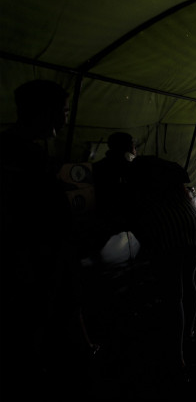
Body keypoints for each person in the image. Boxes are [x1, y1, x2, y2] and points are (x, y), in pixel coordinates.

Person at [0, 80, 92, 399]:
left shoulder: (22, 150)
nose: (66, 120)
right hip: (33, 268)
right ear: (46, 112)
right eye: (63, 112)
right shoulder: (20, 155)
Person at [128, 156, 196, 379]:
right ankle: (189, 331)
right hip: (193, 225)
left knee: (173, 295)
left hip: (167, 230)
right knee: (187, 281)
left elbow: (135, 217)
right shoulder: (175, 183)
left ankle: (176, 356)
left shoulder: (140, 184)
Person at [93, 131, 137, 239]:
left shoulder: (97, 167)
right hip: (122, 226)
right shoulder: (132, 170)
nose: (135, 151)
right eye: (134, 147)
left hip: (100, 224)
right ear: (129, 149)